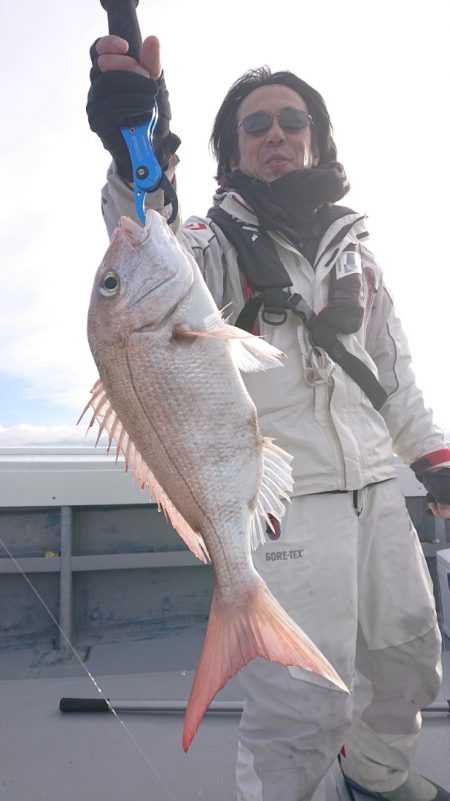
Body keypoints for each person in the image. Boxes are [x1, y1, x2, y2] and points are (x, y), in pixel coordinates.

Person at [87, 35, 450, 801]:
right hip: (286, 502)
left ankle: (377, 772)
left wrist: (432, 460)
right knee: (302, 704)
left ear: (316, 138)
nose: (276, 133)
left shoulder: (359, 251)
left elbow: (395, 373)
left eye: (292, 120)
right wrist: (134, 152)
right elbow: (144, 226)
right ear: (233, 151)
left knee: (411, 659)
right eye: (256, 126)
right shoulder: (206, 247)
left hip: (382, 491)